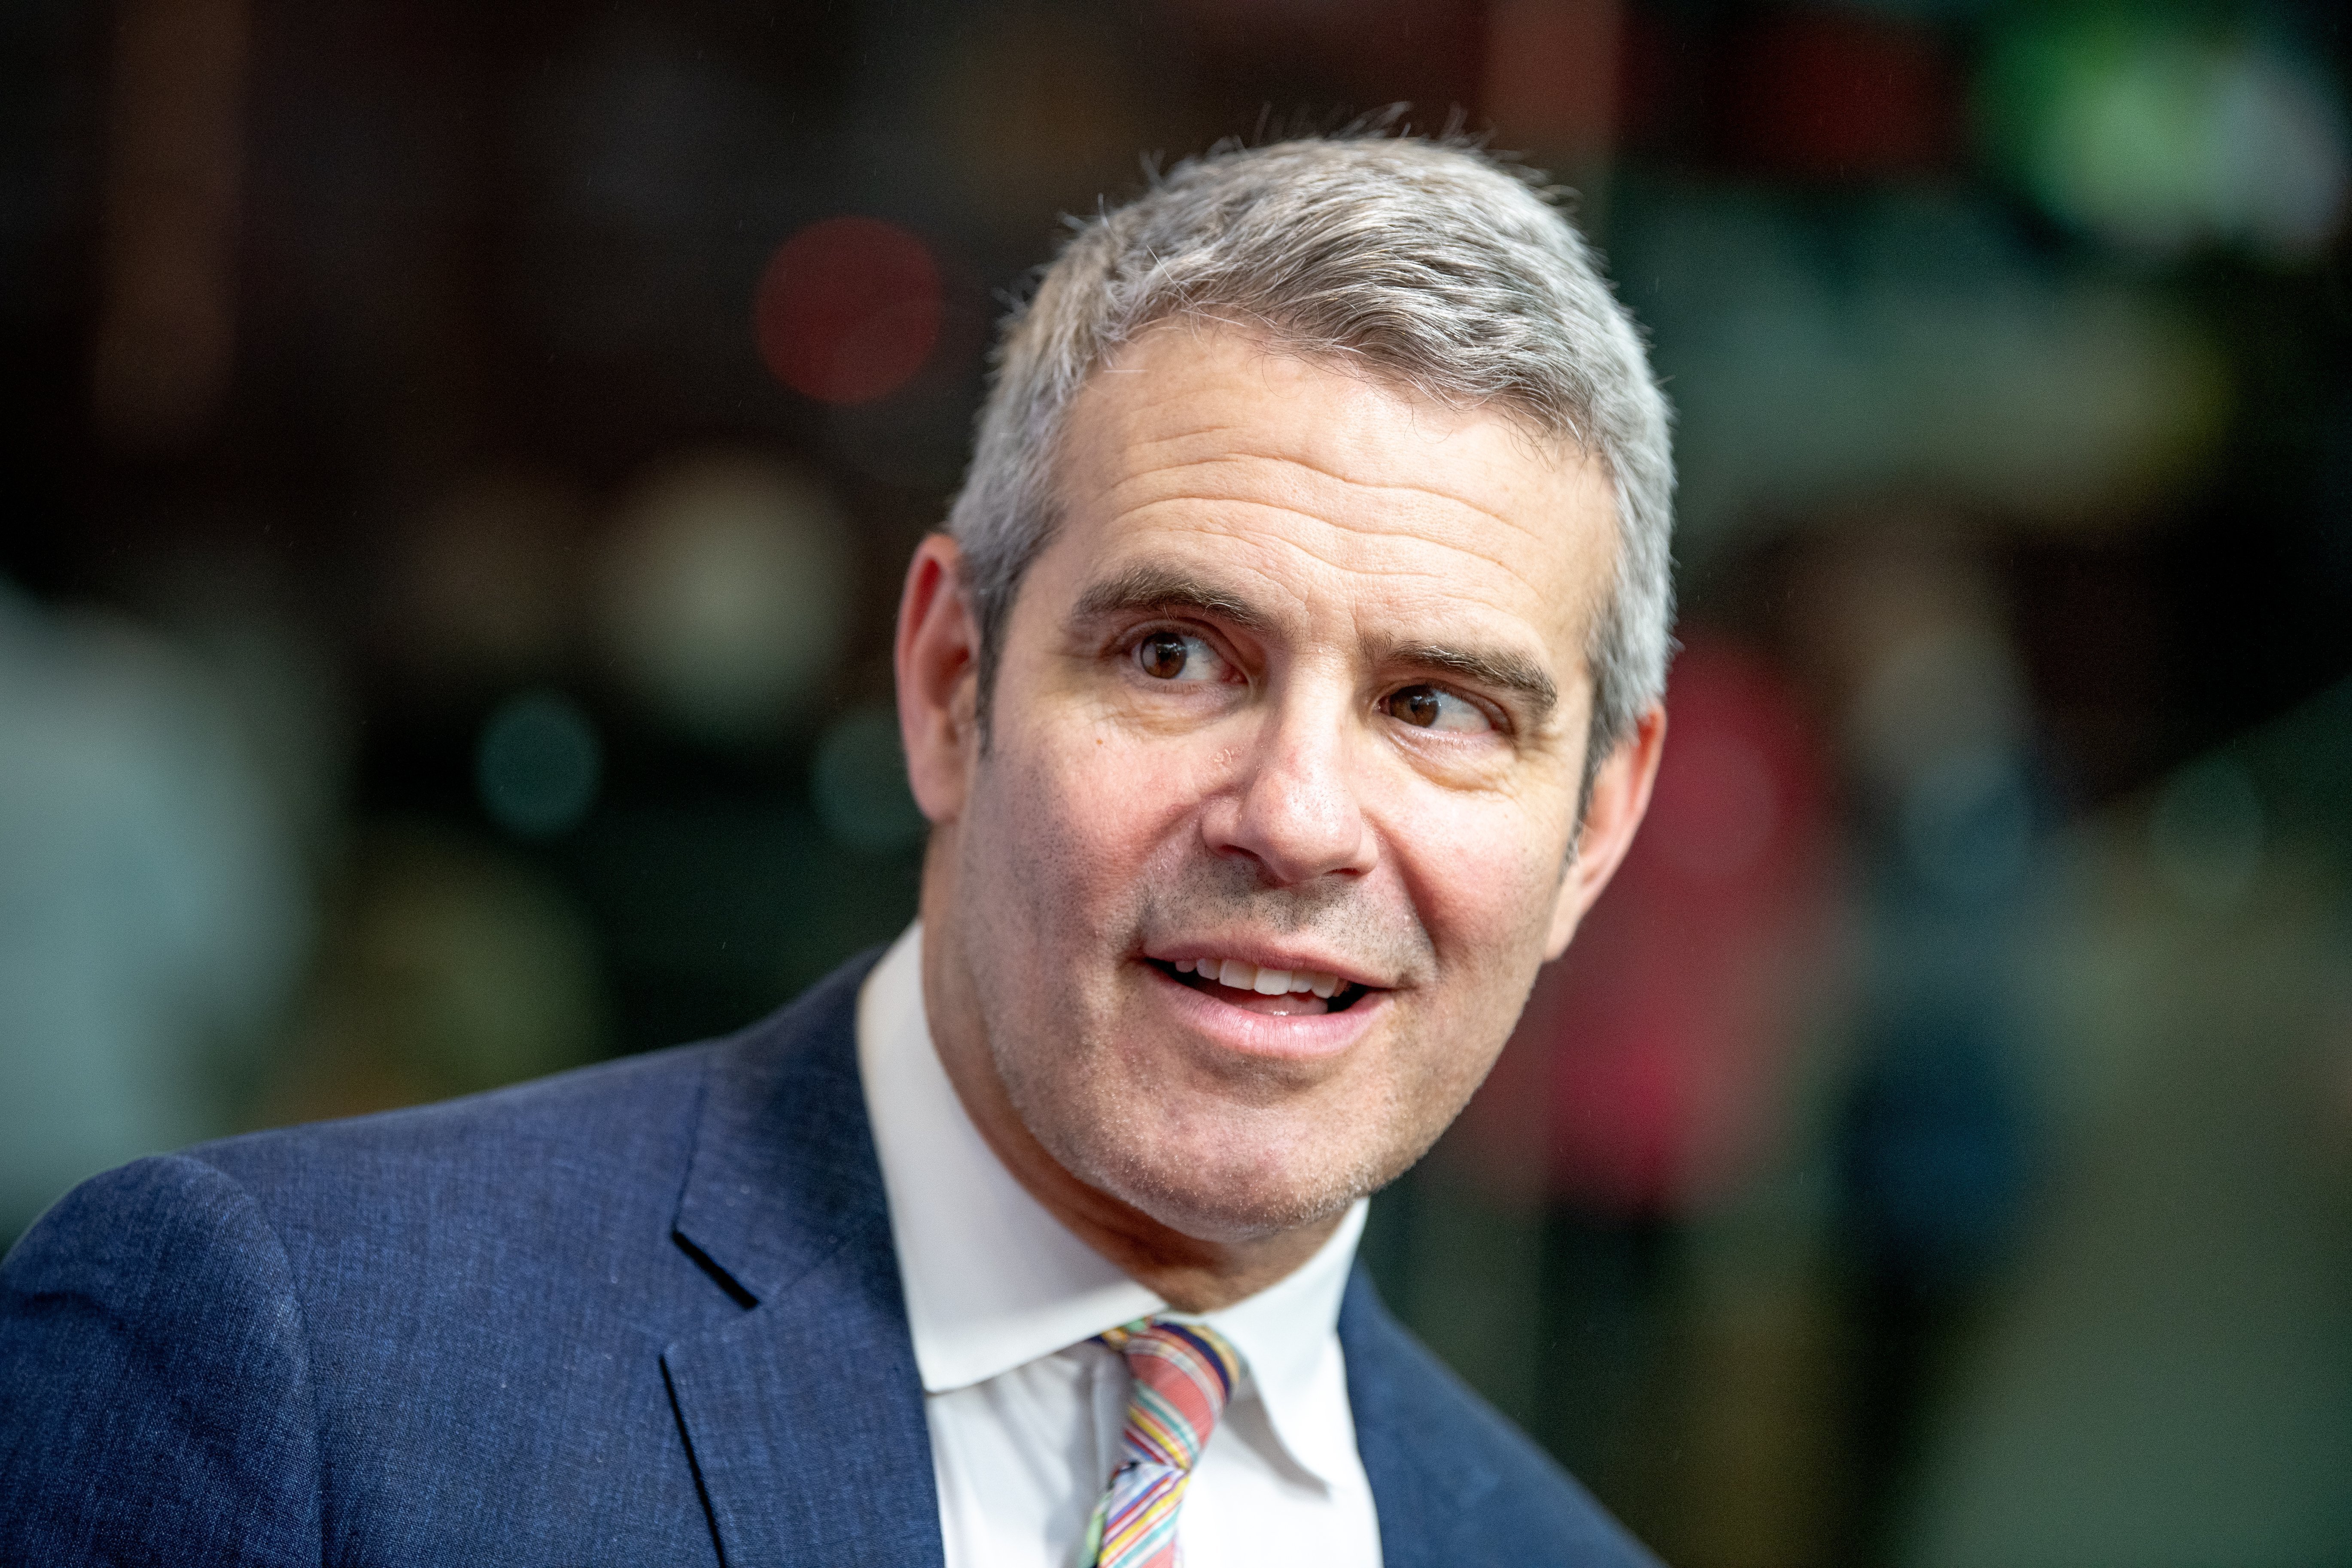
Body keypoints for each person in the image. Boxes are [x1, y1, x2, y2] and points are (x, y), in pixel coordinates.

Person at [0, 134, 1674, 1566]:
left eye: (1440, 705)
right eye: (1174, 654)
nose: (1298, 818)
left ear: (1594, 823)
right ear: (949, 687)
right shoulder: (287, 1362)